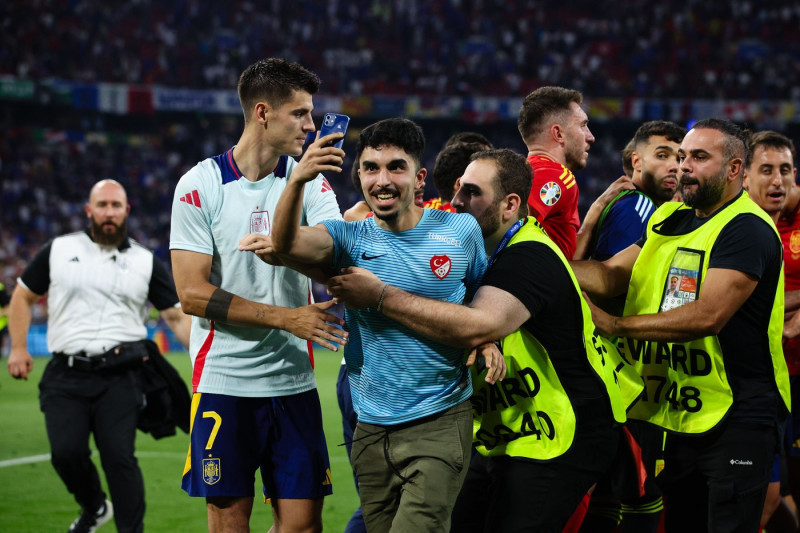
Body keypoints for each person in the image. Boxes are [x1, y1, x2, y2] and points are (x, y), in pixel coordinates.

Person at [326, 148, 630, 532]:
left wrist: (380, 295)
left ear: (510, 206)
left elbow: (478, 324)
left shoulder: (528, 256)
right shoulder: (478, 251)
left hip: (563, 431)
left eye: (471, 192)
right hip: (509, 427)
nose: (456, 202)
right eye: (457, 189)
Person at [260, 117, 488, 532]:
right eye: (371, 168)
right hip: (370, 427)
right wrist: (298, 180)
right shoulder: (349, 237)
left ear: (419, 178)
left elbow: (482, 296)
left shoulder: (460, 231)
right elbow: (286, 243)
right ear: (359, 177)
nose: (382, 180)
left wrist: (490, 340)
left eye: (395, 167)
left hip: (439, 418)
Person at [571, 118, 790, 532]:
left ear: (734, 169)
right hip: (680, 412)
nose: (684, 166)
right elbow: (612, 274)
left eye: (699, 158)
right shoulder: (671, 215)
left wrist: (615, 325)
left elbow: (707, 316)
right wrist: (548, 266)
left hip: (738, 415)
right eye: (682, 156)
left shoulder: (748, 228)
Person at [170, 58, 348, 533]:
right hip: (224, 382)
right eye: (301, 114)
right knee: (230, 522)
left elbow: (334, 257)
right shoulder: (200, 185)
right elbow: (191, 294)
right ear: (263, 112)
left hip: (293, 382)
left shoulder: (310, 180)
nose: (311, 126)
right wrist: (287, 319)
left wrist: (286, 250)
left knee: (303, 526)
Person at [7, 179, 192, 533]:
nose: (109, 212)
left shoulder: (144, 261)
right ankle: (94, 506)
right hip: (67, 373)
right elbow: (23, 296)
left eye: (116, 205)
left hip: (122, 374)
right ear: (89, 210)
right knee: (66, 454)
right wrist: (17, 347)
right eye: (103, 205)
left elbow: (174, 315)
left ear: (126, 211)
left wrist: (203, 361)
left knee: (119, 458)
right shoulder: (58, 249)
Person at [743, 130, 800, 531]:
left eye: (785, 170)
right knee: (765, 497)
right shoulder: (732, 225)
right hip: (759, 383)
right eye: (767, 170)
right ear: (743, 176)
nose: (778, 181)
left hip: (795, 376)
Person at [517, 86, 595, 258]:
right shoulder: (555, 176)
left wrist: (597, 209)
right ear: (559, 134)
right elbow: (511, 225)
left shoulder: (527, 170)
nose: (590, 137)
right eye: (582, 126)